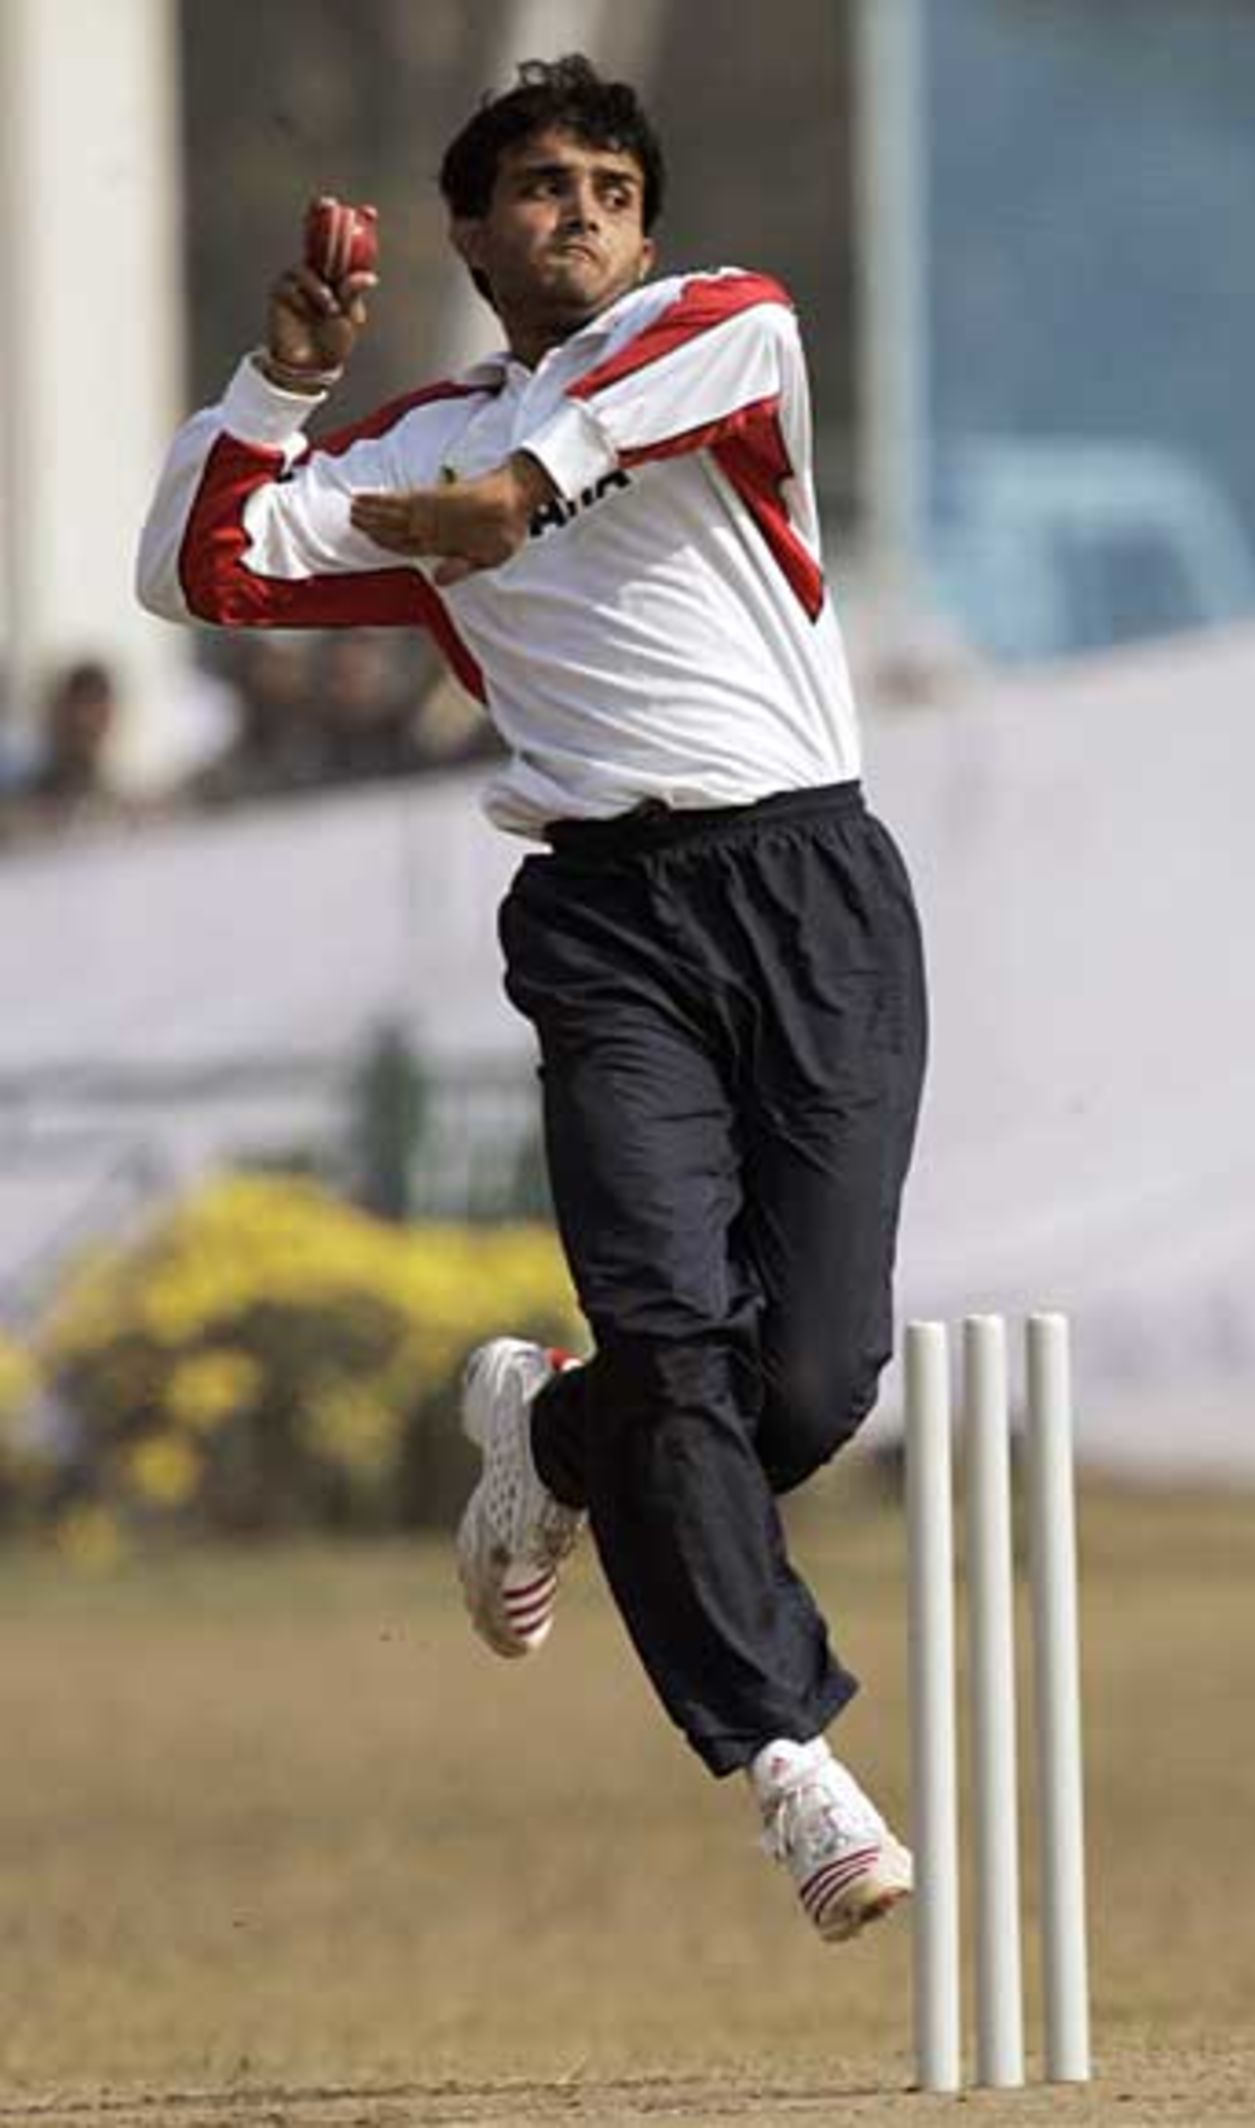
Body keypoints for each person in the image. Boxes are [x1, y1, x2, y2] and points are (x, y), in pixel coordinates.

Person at [137, 54, 927, 1946]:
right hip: (608, 915)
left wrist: (525, 486)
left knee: (804, 1385)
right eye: (535, 190)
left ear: (643, 224)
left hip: (812, 884)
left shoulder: (717, 336)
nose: (574, 211)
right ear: (476, 238)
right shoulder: (418, 440)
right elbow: (192, 572)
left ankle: (548, 1442)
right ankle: (785, 1761)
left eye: (604, 186)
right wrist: (283, 390)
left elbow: (704, 357)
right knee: (674, 1339)